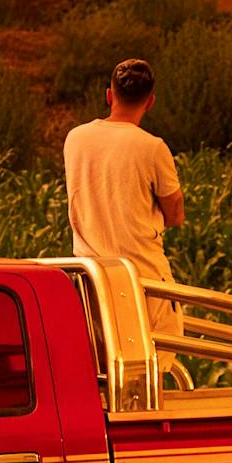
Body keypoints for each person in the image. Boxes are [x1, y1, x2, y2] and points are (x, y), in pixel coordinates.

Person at [62, 57, 186, 344]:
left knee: (102, 371)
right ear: (151, 101)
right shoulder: (153, 148)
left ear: (109, 95)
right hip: (144, 281)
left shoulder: (75, 139)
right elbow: (175, 215)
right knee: (152, 368)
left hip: (92, 282)